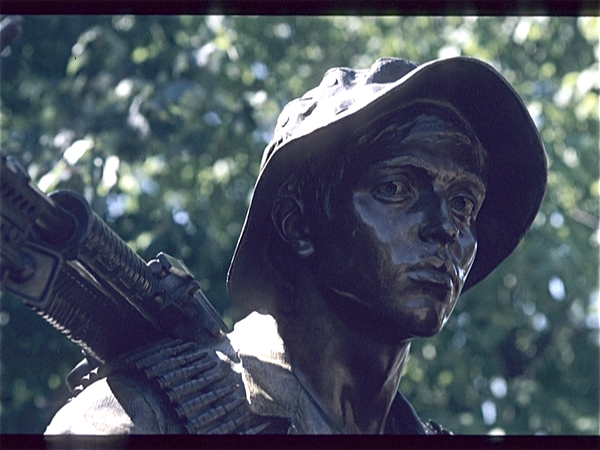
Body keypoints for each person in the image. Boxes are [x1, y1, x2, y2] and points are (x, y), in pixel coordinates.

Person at [45, 56, 547, 435]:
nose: (446, 228)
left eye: (463, 204)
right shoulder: (144, 416)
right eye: (394, 189)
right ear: (297, 223)